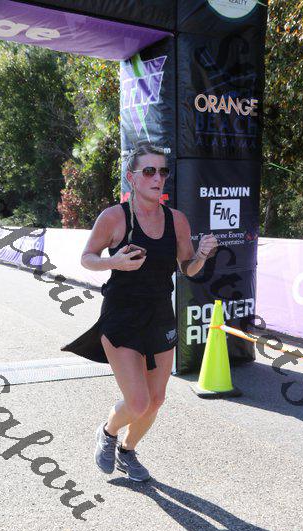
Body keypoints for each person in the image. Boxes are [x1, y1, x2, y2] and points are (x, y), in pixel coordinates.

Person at [61, 141, 218, 482]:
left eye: (162, 171)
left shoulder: (177, 220)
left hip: (160, 315)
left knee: (156, 400)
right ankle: (107, 431)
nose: (157, 178)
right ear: (132, 178)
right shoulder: (114, 217)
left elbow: (187, 268)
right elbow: (87, 258)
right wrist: (113, 262)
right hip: (122, 318)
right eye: (149, 171)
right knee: (138, 403)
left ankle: (127, 451)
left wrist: (202, 255)